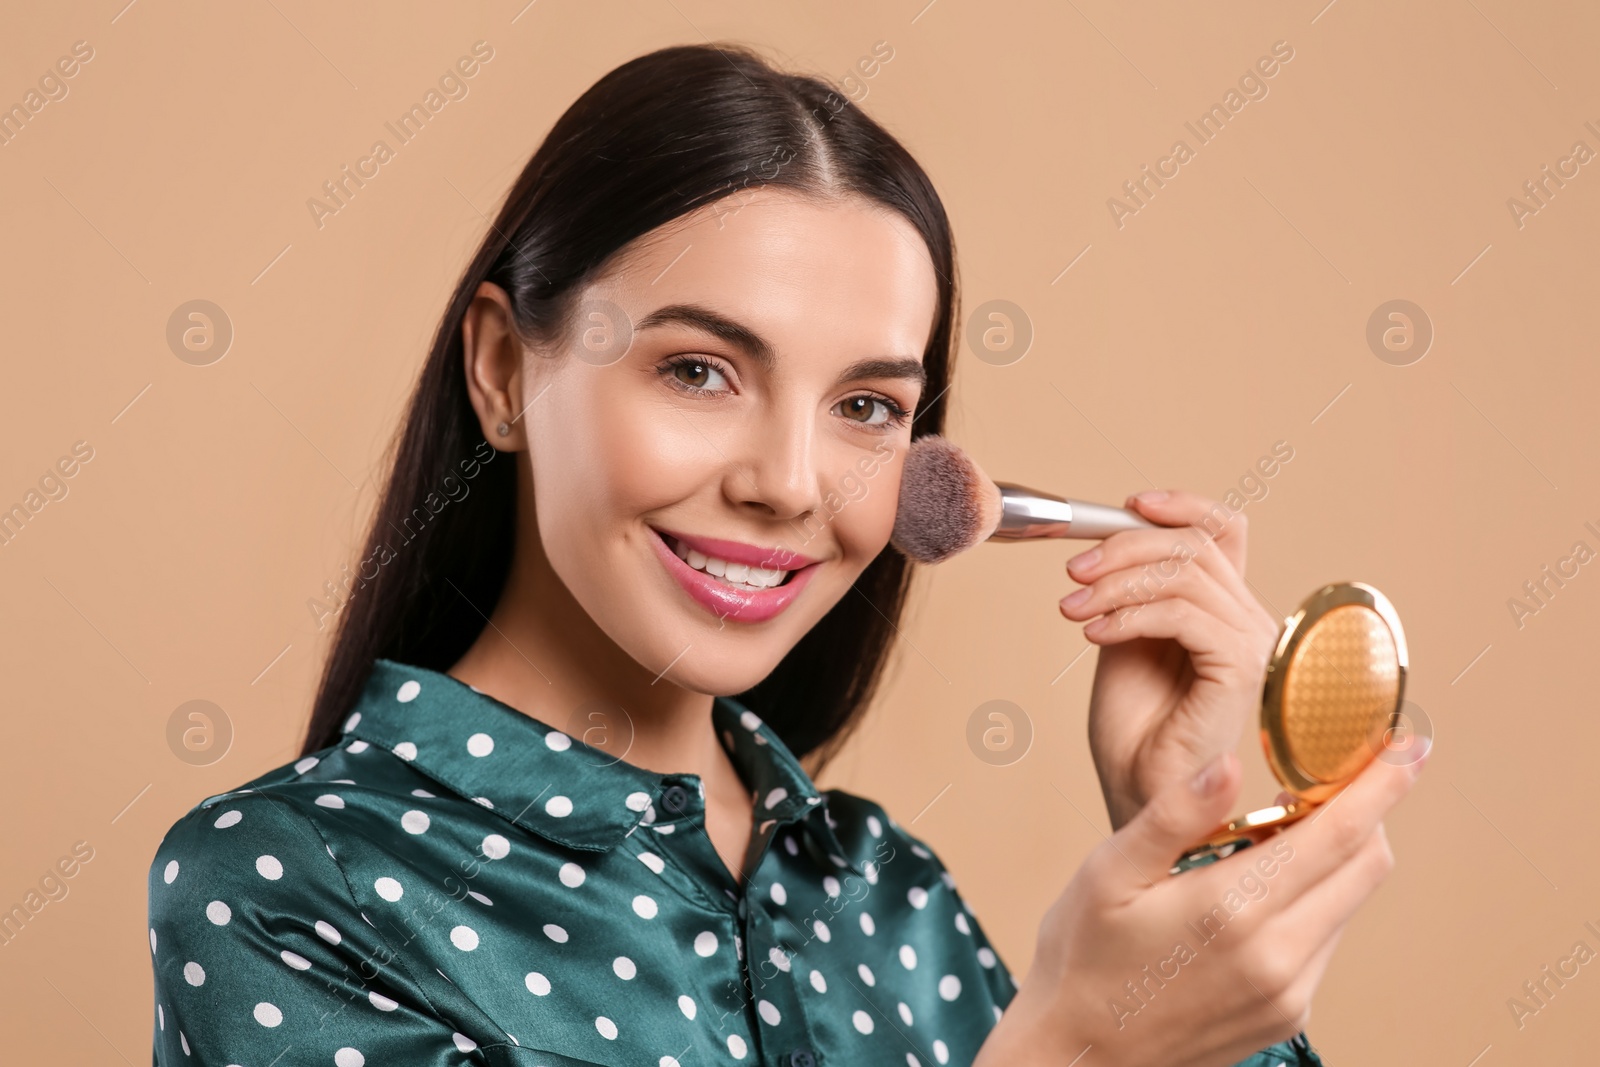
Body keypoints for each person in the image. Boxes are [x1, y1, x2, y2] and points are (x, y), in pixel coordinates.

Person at [147, 42, 1423, 1067]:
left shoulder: (884, 892)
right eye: (697, 370)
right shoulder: (285, 889)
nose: (788, 483)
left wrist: (1180, 829)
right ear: (500, 371)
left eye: (867, 406)